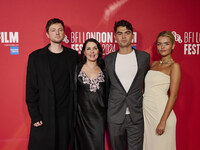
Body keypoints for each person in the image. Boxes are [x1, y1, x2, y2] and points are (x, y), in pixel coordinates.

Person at [26, 18, 79, 150]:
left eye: (60, 30)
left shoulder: (73, 56)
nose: (57, 33)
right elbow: (31, 88)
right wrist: (35, 115)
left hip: (66, 115)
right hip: (45, 113)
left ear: (64, 34)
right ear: (47, 34)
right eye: (53, 30)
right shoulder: (36, 57)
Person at [104, 20, 150, 150]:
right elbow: (106, 87)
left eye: (127, 33)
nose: (123, 37)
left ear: (132, 35)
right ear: (115, 37)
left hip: (136, 115)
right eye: (120, 33)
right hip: (115, 115)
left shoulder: (144, 58)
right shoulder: (108, 59)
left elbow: (149, 83)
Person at [143, 31, 181, 150]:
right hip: (147, 114)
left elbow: (173, 95)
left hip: (161, 114)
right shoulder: (153, 64)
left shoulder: (174, 66)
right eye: (159, 44)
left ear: (173, 45)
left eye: (166, 43)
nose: (162, 47)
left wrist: (163, 121)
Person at [74, 38, 107, 150]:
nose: (92, 52)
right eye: (88, 49)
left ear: (99, 51)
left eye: (95, 48)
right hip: (82, 118)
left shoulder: (105, 70)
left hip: (99, 117)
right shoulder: (77, 69)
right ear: (84, 52)